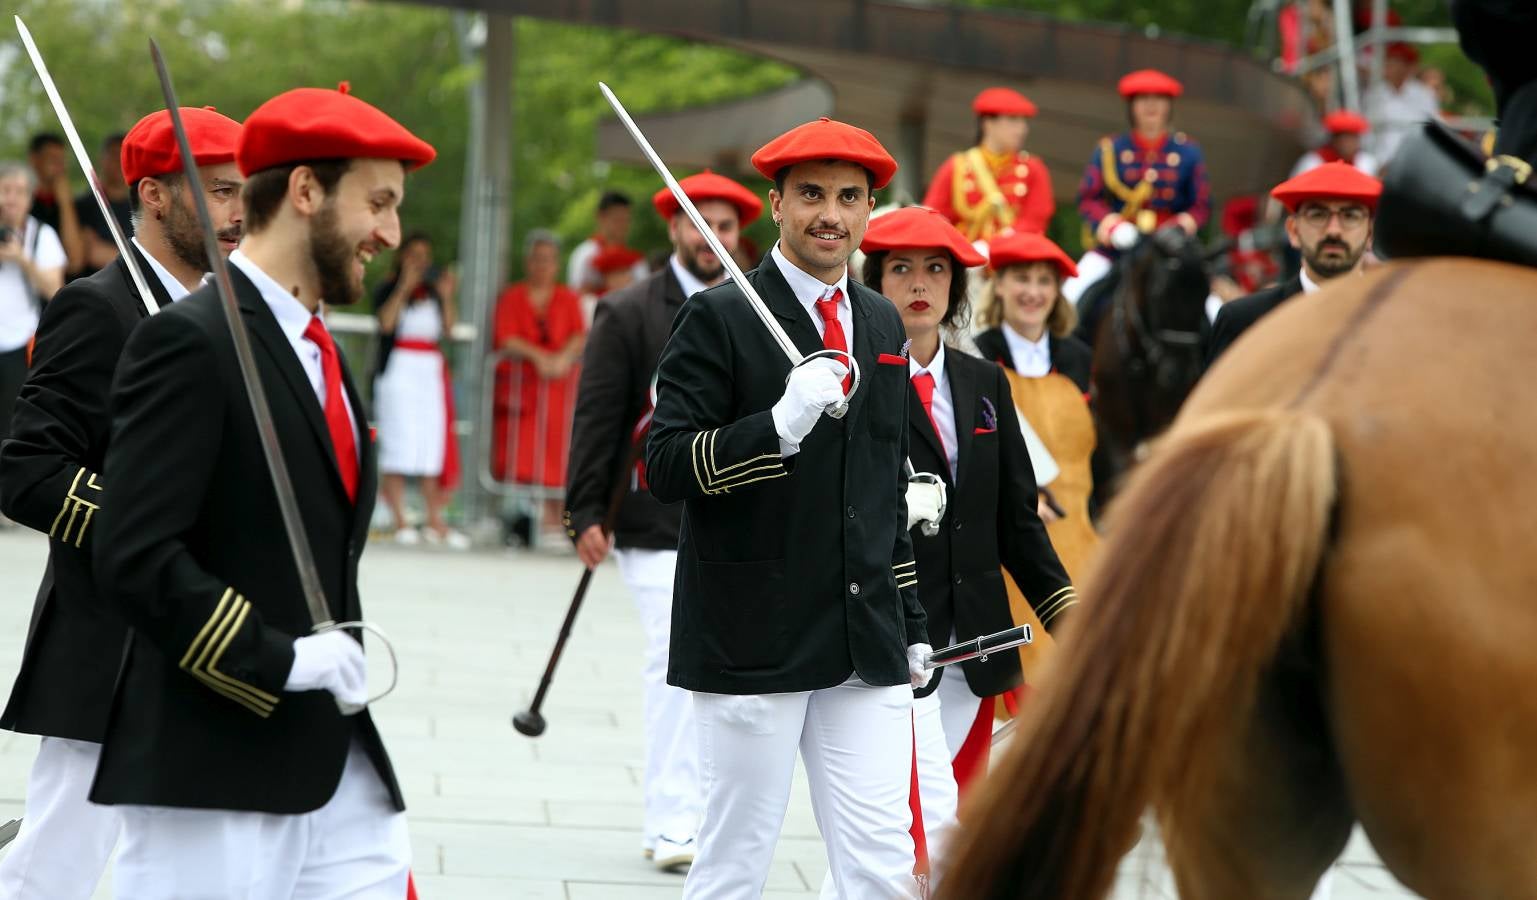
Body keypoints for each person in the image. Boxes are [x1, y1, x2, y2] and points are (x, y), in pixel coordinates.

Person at [91, 83, 434, 898]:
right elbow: (134, 554)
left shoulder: (320, 349)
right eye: (377, 203)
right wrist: (275, 659)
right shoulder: (190, 340)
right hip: (212, 760)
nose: (389, 233)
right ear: (306, 190)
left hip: (332, 758)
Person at [647, 117, 929, 899]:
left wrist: (907, 620)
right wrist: (776, 426)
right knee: (735, 862)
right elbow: (665, 464)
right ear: (775, 204)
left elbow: (882, 488)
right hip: (752, 632)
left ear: (870, 210)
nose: (829, 213)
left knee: (882, 860)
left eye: (848, 196)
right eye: (810, 194)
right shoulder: (718, 316)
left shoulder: (879, 320)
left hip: (861, 636)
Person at [0, 106, 243, 900]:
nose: (238, 212)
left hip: (202, 631)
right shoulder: (97, 308)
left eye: (245, 191)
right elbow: (28, 469)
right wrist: (145, 525)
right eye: (217, 190)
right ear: (156, 196)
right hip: (109, 634)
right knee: (54, 870)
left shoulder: (230, 314)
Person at [855, 207, 1076, 889]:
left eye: (935, 269)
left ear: (955, 285)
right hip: (885, 639)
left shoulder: (984, 384)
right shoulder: (849, 379)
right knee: (896, 822)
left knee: (957, 816)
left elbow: (1017, 520)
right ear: (874, 280)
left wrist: (1072, 617)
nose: (919, 283)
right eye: (901, 268)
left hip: (976, 640)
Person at [564, 169, 763, 873]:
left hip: (742, 518)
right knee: (676, 664)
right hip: (652, 518)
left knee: (734, 680)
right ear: (674, 228)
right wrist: (583, 509)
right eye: (697, 221)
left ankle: (714, 818)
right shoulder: (629, 310)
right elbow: (599, 416)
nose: (712, 236)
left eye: (726, 225)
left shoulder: (760, 307)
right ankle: (671, 822)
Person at [971, 231, 1098, 575]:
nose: (1033, 292)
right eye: (1021, 279)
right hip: (1003, 536)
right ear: (998, 285)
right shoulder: (977, 355)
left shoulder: (1079, 358)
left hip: (1079, 528)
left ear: (1057, 291)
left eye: (1044, 281)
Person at [1206, 162, 1381, 366]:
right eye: (1318, 215)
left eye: (1350, 216)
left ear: (1370, 233)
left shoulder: (1400, 323)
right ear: (1293, 231)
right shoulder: (1243, 321)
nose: (1334, 230)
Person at [1068, 69, 1211, 302]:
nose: (1151, 106)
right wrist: (1112, 226)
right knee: (1070, 296)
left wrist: (1180, 226)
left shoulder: (1188, 152)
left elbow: (1201, 205)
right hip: (1116, 250)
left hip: (1171, 250)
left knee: (1212, 307)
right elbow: (1088, 198)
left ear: (1169, 106)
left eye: (1159, 99)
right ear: (1132, 106)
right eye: (1143, 99)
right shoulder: (1110, 149)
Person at [372, 232, 464, 548]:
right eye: (414, 256)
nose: (420, 263)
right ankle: (400, 518)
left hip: (429, 371)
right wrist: (403, 288)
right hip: (399, 370)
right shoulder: (388, 287)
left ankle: (434, 518)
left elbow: (450, 329)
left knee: (430, 443)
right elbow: (385, 323)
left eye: (425, 256)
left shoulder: (434, 294)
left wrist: (448, 294)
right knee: (399, 441)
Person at [491, 229, 586, 538]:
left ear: (556, 264)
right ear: (527, 261)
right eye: (537, 259)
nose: (542, 266)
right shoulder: (512, 297)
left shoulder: (569, 298)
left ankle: (555, 522)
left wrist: (561, 358)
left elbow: (579, 335)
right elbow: (505, 336)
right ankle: (517, 522)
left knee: (557, 453)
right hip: (521, 391)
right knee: (516, 455)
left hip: (558, 391)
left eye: (548, 260)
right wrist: (538, 357)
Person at [921, 87, 1055, 244]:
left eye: (1023, 121)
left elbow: (1035, 221)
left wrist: (996, 248)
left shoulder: (1034, 169)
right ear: (988, 123)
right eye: (1013, 120)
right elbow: (934, 218)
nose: (1022, 129)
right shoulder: (956, 166)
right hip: (966, 259)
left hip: (1011, 258)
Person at [0, 162, 67, 468]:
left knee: (14, 424)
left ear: (30, 199)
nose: (10, 199)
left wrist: (21, 259)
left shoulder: (42, 235)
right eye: (5, 190)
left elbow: (55, 290)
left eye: (19, 192)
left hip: (19, 343)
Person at [1361, 43, 1441, 167]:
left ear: (1405, 66)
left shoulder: (1424, 94)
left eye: (1394, 62)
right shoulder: (1374, 94)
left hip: (1415, 161)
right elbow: (1367, 132)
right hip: (1381, 162)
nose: (1388, 66)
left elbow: (1432, 127)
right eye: (1388, 62)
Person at [72, 132, 133, 280]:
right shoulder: (83, 206)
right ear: (102, 159)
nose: (118, 161)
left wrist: (110, 253)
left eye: (123, 156)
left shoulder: (142, 206)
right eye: (113, 155)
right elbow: (90, 254)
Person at [566, 190, 649, 297]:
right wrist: (603, 283)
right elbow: (575, 295)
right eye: (617, 219)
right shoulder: (584, 254)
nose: (622, 225)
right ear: (601, 217)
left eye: (626, 220)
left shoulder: (636, 261)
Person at [26, 133, 84, 277]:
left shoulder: (71, 205)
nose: (59, 166)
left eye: (62, 160)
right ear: (34, 159)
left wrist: (65, 202)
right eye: (52, 159)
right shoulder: (23, 203)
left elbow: (75, 261)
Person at [1293, 110, 1379, 177]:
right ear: (1333, 139)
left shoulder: (1366, 162)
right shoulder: (1312, 162)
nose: (1347, 143)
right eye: (1342, 137)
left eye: (1351, 137)